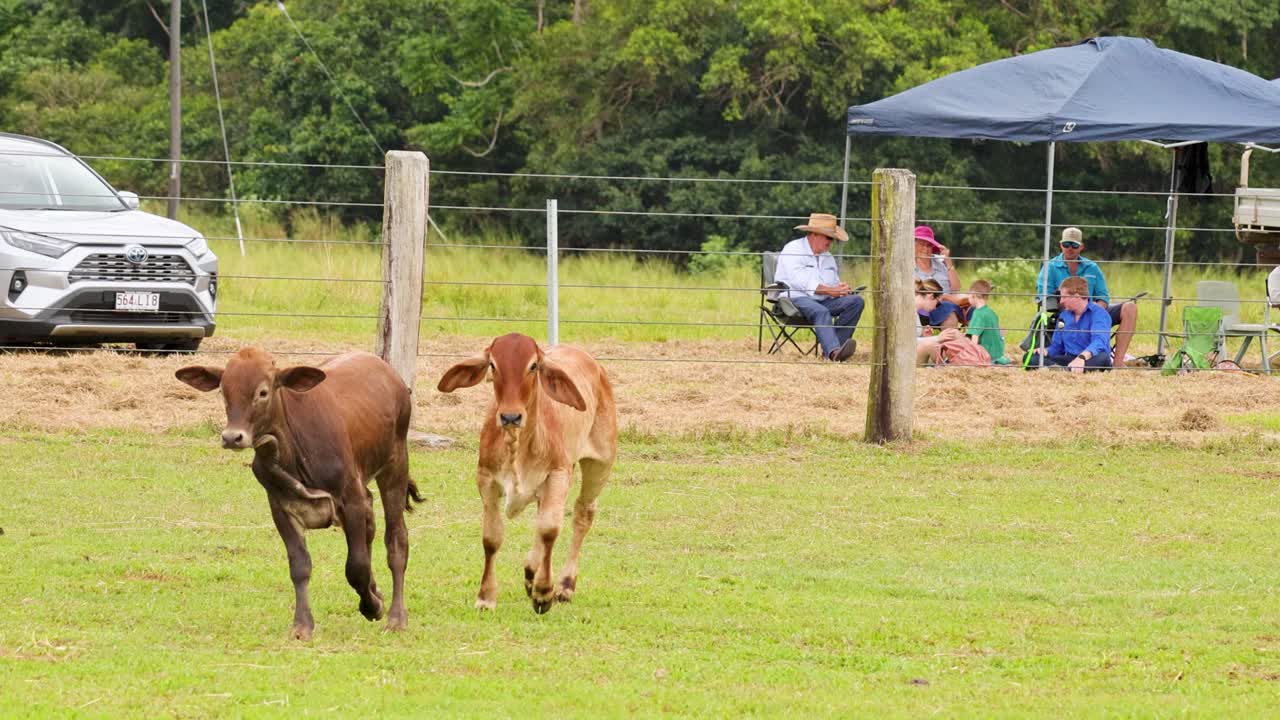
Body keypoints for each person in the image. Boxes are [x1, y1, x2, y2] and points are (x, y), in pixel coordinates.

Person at [1033, 226, 1139, 367]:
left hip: (1093, 311)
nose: (1070, 248)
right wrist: (1068, 305)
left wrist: (1094, 311)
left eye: (1074, 245)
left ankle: (1118, 362)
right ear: (1060, 245)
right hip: (1065, 313)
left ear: (1081, 247)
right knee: (1033, 357)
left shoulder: (1092, 267)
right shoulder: (1050, 267)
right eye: (1066, 244)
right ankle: (1063, 364)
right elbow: (1044, 298)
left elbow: (1103, 296)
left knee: (1130, 307)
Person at [773, 212, 865, 362]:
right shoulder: (793, 249)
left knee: (856, 302)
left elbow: (832, 283)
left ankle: (837, 350)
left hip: (823, 299)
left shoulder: (828, 258)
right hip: (794, 299)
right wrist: (831, 290)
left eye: (833, 239)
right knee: (820, 311)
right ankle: (833, 353)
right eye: (829, 237)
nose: (831, 242)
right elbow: (800, 282)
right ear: (814, 234)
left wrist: (841, 289)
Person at [1026, 276, 1112, 372]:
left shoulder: (1099, 314)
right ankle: (1063, 370)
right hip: (1070, 359)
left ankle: (1061, 369)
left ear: (1077, 296)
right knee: (1029, 357)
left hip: (1091, 358)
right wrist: (1046, 351)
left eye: (1064, 297)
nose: (1061, 301)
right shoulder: (1063, 316)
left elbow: (1099, 342)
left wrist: (1082, 358)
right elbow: (1057, 346)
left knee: (1103, 357)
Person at [912, 225, 964, 328]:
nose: (925, 249)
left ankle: (975, 341)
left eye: (929, 245)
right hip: (923, 307)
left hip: (947, 305)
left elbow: (956, 288)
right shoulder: (907, 265)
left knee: (974, 310)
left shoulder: (940, 262)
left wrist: (948, 262)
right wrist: (941, 297)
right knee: (949, 311)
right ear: (913, 245)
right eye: (921, 244)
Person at [914, 278, 962, 365]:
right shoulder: (906, 311)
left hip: (915, 353)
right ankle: (954, 364)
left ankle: (966, 360)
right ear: (931, 296)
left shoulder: (915, 312)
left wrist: (926, 336)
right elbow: (907, 341)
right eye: (937, 303)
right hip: (906, 358)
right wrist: (937, 338)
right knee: (930, 346)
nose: (936, 307)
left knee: (954, 333)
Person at [965, 279, 1009, 364]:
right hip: (998, 355)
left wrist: (971, 356)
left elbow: (975, 338)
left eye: (968, 296)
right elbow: (1000, 332)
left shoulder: (978, 313)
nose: (968, 298)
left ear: (973, 295)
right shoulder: (991, 313)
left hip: (986, 356)